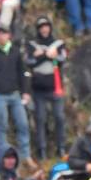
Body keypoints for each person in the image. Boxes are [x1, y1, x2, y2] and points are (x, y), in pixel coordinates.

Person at [0, 26, 32, 160]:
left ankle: (25, 156)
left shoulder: (15, 51)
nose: (1, 36)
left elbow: (22, 72)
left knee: (23, 124)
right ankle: (3, 157)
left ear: (8, 35)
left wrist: (25, 92)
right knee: (2, 126)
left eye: (3, 33)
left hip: (15, 94)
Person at [25, 17, 68, 159]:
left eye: (46, 26)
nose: (44, 29)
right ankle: (42, 150)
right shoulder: (32, 44)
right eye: (41, 26)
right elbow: (29, 61)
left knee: (59, 117)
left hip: (55, 87)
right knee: (40, 118)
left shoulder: (58, 43)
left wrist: (46, 56)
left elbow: (62, 59)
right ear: (38, 29)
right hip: (38, 88)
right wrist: (46, 55)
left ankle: (61, 147)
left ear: (50, 27)